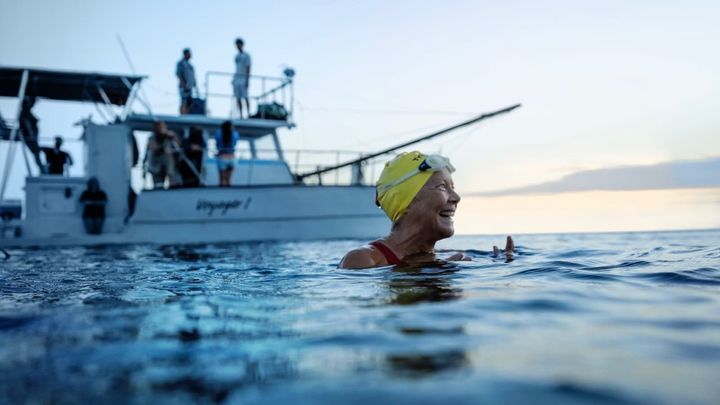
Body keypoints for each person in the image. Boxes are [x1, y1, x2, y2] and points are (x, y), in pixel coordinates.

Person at [339, 151, 514, 269]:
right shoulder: (363, 260)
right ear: (405, 202)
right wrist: (431, 274)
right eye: (442, 187)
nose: (456, 197)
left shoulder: (443, 255)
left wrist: (500, 263)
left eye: (452, 187)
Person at [146, 121, 181, 188]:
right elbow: (152, 147)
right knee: (158, 187)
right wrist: (162, 149)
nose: (162, 128)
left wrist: (173, 136)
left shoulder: (169, 137)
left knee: (174, 186)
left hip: (170, 168)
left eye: (163, 127)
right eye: (160, 127)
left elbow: (179, 145)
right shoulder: (152, 137)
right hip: (157, 168)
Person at [18, 96, 46, 173]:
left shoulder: (26, 112)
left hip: (32, 137)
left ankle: (41, 168)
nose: (31, 104)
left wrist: (36, 101)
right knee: (36, 152)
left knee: (36, 153)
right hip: (30, 137)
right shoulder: (24, 113)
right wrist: (31, 134)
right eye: (29, 103)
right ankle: (42, 168)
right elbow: (27, 124)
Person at [214, 121, 239, 187]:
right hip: (232, 158)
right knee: (229, 180)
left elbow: (217, 144)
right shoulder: (235, 133)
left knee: (222, 180)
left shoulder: (218, 133)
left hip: (222, 157)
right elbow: (235, 143)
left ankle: (221, 195)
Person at [232, 38, 252, 119]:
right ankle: (240, 115)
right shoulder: (236, 56)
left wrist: (247, 79)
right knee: (238, 97)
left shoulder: (246, 56)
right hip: (237, 78)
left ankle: (248, 113)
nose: (238, 46)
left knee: (245, 97)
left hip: (243, 78)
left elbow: (248, 67)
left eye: (239, 44)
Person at [176, 48, 197, 115]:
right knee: (183, 101)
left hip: (190, 87)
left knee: (189, 102)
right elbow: (178, 73)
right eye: (189, 53)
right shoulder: (181, 63)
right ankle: (182, 114)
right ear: (185, 54)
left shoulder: (190, 65)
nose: (190, 55)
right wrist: (182, 83)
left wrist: (194, 85)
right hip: (184, 87)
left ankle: (186, 113)